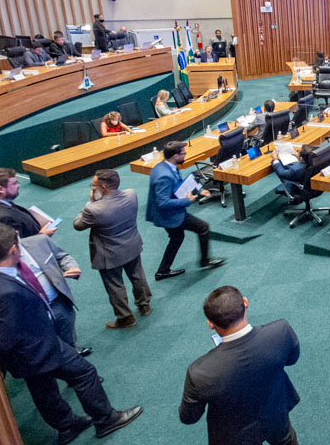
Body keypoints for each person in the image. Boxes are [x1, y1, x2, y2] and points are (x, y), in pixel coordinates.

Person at [0, 223, 142, 444]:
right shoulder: (7, 293)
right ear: (13, 251)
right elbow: (6, 340)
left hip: (26, 355)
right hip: (39, 347)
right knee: (85, 373)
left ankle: (68, 426)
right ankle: (106, 419)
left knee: (43, 392)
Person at [180, 286, 301, 445]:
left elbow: (189, 417)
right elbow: (292, 359)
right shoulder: (280, 332)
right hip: (276, 411)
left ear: (210, 323)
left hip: (234, 435)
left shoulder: (199, 373)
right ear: (245, 302)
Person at [73, 169, 151, 329]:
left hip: (109, 254)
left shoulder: (93, 209)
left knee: (115, 285)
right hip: (132, 244)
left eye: (93, 186)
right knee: (138, 276)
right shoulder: (131, 194)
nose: (92, 189)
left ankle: (125, 318)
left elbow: (78, 225)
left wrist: (90, 202)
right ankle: (144, 306)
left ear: (103, 186)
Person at [146, 141, 226, 281]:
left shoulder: (165, 166)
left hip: (169, 213)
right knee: (203, 227)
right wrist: (187, 201)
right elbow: (162, 202)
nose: (185, 155)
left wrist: (200, 189)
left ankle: (163, 271)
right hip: (169, 215)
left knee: (177, 238)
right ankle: (205, 261)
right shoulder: (164, 176)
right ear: (175, 155)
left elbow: (180, 184)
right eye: (183, 153)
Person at [0, 167, 56, 240]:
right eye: (14, 183)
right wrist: (42, 236)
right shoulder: (3, 219)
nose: (18, 185)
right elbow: (15, 248)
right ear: (0, 189)